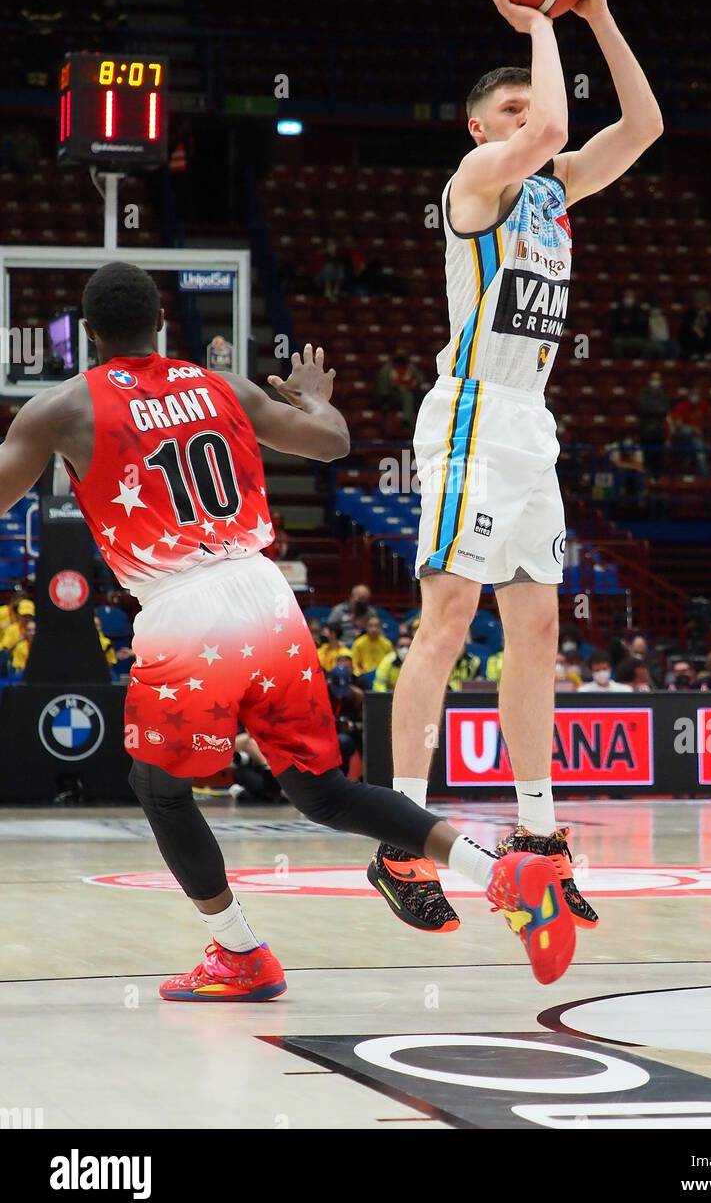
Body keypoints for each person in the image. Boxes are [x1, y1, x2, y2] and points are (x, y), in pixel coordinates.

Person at [0, 261, 577, 995]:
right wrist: (313, 399)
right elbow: (332, 443)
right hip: (266, 594)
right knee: (324, 791)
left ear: (88, 335)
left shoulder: (59, 409)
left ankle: (240, 952)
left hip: (181, 608)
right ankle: (503, 872)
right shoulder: (224, 386)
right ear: (163, 326)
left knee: (160, 789)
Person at [377, 0, 662, 933]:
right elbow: (547, 124)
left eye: (521, 108)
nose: (525, 123)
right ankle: (404, 838)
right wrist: (538, 18)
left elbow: (644, 123)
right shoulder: (478, 181)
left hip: (529, 421)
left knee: (535, 629)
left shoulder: (552, 190)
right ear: (477, 128)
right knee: (447, 617)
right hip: (468, 412)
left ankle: (538, 836)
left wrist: (595, 13)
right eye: (505, 113)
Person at [669, 385, 711, 475]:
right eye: (693, 394)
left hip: (699, 437)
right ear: (689, 395)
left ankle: (704, 477)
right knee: (688, 432)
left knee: (698, 450)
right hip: (682, 437)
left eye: (697, 394)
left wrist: (708, 439)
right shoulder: (682, 406)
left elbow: (710, 423)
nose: (694, 396)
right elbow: (678, 424)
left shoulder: (704, 406)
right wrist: (693, 429)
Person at [377, 352, 421, 431]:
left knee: (408, 396)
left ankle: (407, 421)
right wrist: (385, 399)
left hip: (408, 392)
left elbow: (420, 379)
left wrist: (411, 385)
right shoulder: (387, 369)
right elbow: (383, 388)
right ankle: (406, 421)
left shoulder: (410, 368)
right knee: (408, 396)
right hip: (392, 395)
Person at [637, 371, 669, 474]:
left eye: (657, 379)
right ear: (649, 380)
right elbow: (643, 408)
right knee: (647, 455)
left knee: (658, 456)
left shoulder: (663, 395)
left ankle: (656, 476)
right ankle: (646, 475)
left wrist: (653, 410)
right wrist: (656, 410)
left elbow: (665, 409)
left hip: (659, 430)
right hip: (645, 428)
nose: (655, 381)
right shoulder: (643, 393)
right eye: (653, 379)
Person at [350, 613, 394, 679]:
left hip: (383, 676)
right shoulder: (358, 643)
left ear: (380, 627)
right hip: (365, 676)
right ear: (365, 627)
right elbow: (355, 664)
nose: (374, 629)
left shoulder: (387, 643)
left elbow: (391, 663)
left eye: (376, 626)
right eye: (370, 626)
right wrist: (361, 674)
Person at [610, 293, 651, 359]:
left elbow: (643, 324)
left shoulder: (639, 310)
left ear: (634, 299)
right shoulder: (617, 311)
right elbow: (614, 326)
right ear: (623, 299)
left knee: (649, 346)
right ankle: (620, 365)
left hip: (636, 337)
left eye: (630, 297)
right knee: (616, 343)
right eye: (627, 297)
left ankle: (640, 363)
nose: (628, 299)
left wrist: (631, 321)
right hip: (622, 337)